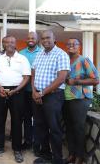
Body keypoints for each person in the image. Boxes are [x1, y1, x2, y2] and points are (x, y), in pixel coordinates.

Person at [0, 36, 30, 163]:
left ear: (15, 43)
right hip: (1, 91)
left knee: (17, 120)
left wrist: (17, 90)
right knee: (0, 120)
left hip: (17, 92)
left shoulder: (22, 59)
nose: (9, 44)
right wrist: (0, 88)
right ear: (3, 44)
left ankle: (17, 149)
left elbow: (26, 77)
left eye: (12, 42)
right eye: (6, 42)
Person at [31, 30, 70, 164]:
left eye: (48, 37)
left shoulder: (61, 54)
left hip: (53, 97)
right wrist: (34, 91)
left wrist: (41, 93)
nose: (45, 40)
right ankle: (46, 155)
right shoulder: (40, 54)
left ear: (55, 39)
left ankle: (57, 159)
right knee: (40, 127)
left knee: (54, 129)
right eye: (42, 38)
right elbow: (33, 72)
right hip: (38, 95)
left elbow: (61, 79)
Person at [63, 38, 99, 164]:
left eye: (74, 44)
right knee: (69, 128)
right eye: (69, 44)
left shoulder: (84, 61)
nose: (71, 45)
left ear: (79, 46)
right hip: (65, 98)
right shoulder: (65, 60)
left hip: (80, 98)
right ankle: (71, 154)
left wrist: (76, 81)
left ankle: (80, 156)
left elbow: (95, 80)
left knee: (78, 128)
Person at [19, 32, 42, 152]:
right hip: (24, 91)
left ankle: (37, 143)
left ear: (37, 40)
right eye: (28, 38)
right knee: (26, 118)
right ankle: (28, 141)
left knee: (38, 118)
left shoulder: (42, 53)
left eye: (33, 38)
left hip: (38, 91)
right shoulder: (21, 53)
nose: (30, 40)